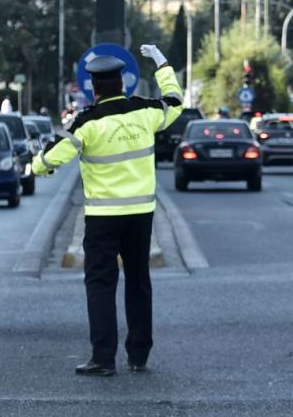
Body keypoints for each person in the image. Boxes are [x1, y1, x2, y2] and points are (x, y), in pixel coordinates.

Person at [32, 45, 183, 377]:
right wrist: (162, 64)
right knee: (139, 281)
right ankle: (139, 354)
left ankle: (103, 358)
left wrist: (35, 166)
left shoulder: (87, 123)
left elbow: (54, 157)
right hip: (141, 214)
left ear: (95, 88)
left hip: (103, 219)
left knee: (100, 284)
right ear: (124, 85)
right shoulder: (145, 112)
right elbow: (175, 101)